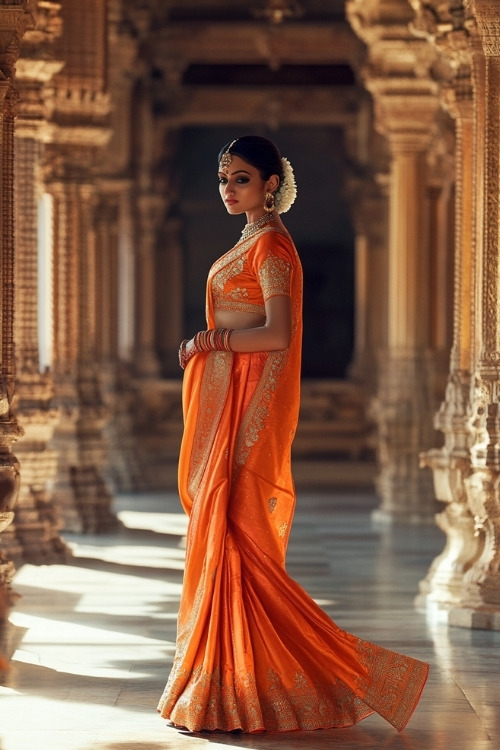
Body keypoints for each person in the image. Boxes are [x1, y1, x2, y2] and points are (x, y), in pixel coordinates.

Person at [157, 135, 429, 733]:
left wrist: (211, 342)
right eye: (224, 179)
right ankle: (223, 684)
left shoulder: (273, 247)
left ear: (271, 184)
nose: (228, 189)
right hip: (223, 401)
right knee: (224, 546)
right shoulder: (249, 241)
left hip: (245, 414)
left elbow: (278, 333)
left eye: (241, 179)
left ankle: (266, 685)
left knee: (242, 549)